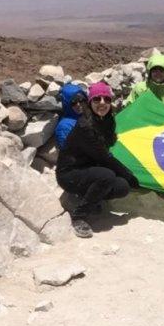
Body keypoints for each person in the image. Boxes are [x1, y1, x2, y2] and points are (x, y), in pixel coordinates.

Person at [56, 82, 139, 238]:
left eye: (106, 99)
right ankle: (79, 216)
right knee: (107, 175)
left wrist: (127, 177)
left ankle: (87, 197)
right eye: (97, 100)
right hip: (69, 173)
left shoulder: (107, 120)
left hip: (88, 168)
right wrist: (129, 174)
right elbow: (104, 156)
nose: (102, 103)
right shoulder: (85, 126)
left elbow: (109, 146)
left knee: (122, 187)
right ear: (90, 103)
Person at [55, 83, 87, 148]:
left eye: (81, 99)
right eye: (73, 102)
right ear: (66, 104)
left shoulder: (89, 116)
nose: (78, 104)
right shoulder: (65, 126)